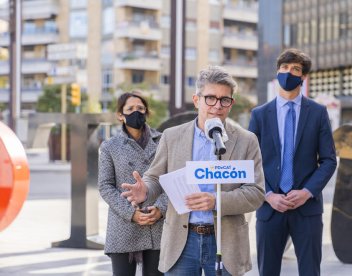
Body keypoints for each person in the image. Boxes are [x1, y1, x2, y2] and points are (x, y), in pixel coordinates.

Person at [121, 65, 265, 276]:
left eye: (225, 99)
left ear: (231, 103)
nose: (217, 105)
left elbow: (256, 193)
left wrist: (216, 201)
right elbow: (155, 177)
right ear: (197, 100)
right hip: (182, 242)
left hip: (227, 242)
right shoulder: (172, 136)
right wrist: (146, 190)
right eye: (210, 98)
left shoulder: (247, 140)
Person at [248, 48, 337, 276]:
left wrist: (307, 192)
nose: (289, 72)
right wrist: (268, 195)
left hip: (307, 209)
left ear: (303, 77)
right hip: (269, 208)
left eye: (295, 69)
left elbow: (328, 160)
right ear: (277, 72)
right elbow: (250, 162)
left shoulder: (317, 113)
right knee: (267, 271)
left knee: (310, 271)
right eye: (285, 68)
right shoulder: (259, 114)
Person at [98, 91, 167, 276]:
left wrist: (161, 209)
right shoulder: (109, 146)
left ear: (147, 112)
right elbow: (105, 186)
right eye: (130, 109)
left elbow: (172, 181)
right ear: (120, 115)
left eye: (140, 108)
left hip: (158, 224)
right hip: (123, 224)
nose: (136, 112)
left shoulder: (163, 141)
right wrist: (131, 213)